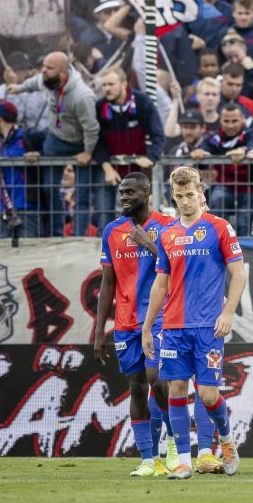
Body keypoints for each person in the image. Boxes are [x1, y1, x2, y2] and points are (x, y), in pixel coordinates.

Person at [142, 166, 246, 479]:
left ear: (200, 192)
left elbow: (239, 273)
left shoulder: (219, 227)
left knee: (208, 394)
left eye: (190, 194)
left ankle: (226, 439)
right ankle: (184, 461)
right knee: (175, 388)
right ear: (171, 197)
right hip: (173, 328)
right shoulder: (167, 234)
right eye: (179, 196)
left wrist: (228, 313)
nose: (186, 201)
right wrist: (148, 327)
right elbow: (160, 284)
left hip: (208, 328)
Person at [94, 173, 176, 477]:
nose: (124, 197)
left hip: (159, 317)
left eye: (130, 192)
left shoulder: (166, 226)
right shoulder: (112, 231)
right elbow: (107, 282)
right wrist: (100, 331)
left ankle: (174, 446)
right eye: (121, 193)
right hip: (125, 322)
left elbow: (177, 267)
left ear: (147, 192)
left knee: (158, 378)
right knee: (137, 386)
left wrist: (149, 244)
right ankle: (147, 459)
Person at [9, 51, 99, 237]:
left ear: (63, 74)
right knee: (49, 188)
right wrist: (20, 88)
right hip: (56, 139)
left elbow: (91, 128)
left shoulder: (82, 96)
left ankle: (79, 236)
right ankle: (56, 233)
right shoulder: (47, 79)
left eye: (49, 68)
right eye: (44, 66)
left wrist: (88, 153)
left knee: (81, 194)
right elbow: (35, 82)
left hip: (81, 142)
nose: (43, 71)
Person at [94, 68, 165, 231]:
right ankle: (102, 249)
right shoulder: (100, 106)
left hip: (139, 171)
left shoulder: (142, 102)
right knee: (105, 212)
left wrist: (151, 159)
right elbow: (96, 141)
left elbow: (158, 135)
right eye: (104, 85)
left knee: (140, 215)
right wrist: (106, 167)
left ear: (124, 84)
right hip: (110, 170)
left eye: (111, 84)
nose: (107, 89)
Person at [191, 102, 253, 235]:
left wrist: (245, 150)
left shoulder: (252, 134)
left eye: (234, 121)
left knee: (244, 225)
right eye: (226, 121)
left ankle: (243, 255)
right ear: (220, 120)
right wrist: (200, 154)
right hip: (224, 186)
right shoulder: (214, 138)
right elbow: (202, 151)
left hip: (249, 187)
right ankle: (219, 246)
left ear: (242, 118)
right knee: (218, 213)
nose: (230, 125)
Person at [0, 100, 45, 239]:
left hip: (28, 209)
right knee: (2, 257)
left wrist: (39, 154)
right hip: (1, 210)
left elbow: (53, 147)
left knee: (28, 255)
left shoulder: (27, 136)